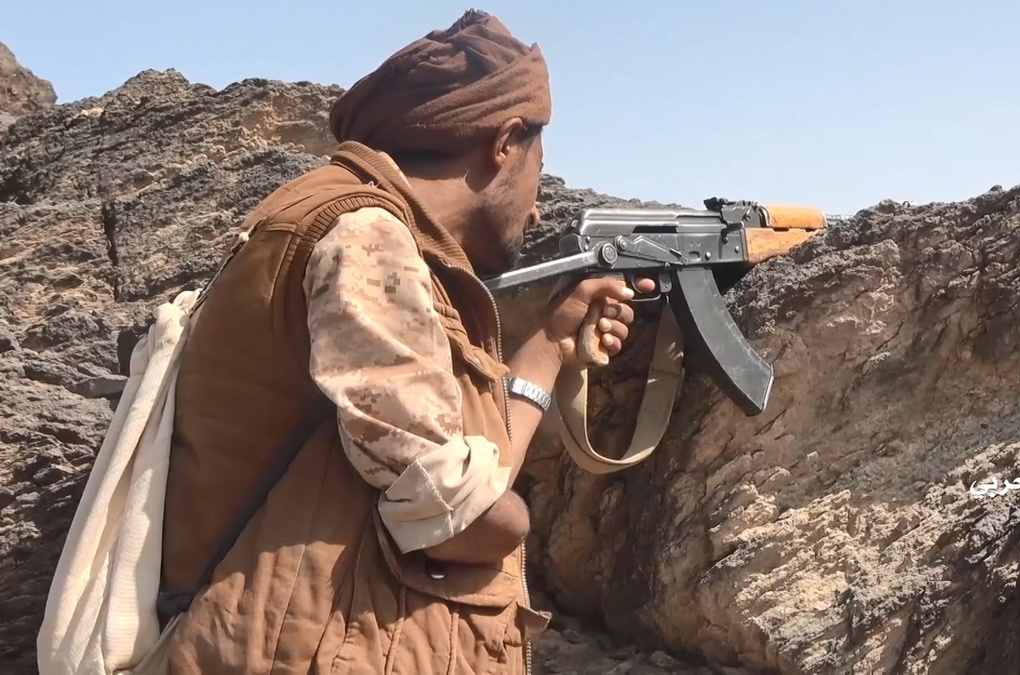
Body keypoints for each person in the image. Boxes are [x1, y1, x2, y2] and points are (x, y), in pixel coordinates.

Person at [156, 10, 650, 674]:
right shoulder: (365, 236)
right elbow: (459, 517)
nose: (537, 209)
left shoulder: (384, 244)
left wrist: (553, 344)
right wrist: (512, 521)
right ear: (505, 142)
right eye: (540, 166)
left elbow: (455, 475)